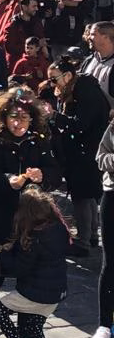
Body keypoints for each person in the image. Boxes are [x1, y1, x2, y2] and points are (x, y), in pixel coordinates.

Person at [0, 90, 59, 338]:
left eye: (24, 118)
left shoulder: (40, 142)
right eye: (13, 117)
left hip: (30, 223)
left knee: (27, 280)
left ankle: (25, 333)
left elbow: (55, 172)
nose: (19, 123)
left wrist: (44, 176)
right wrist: (7, 180)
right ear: (4, 118)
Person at [0, 187, 70, 338]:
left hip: (34, 293)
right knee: (34, 329)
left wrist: (2, 255)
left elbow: (20, 268)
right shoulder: (59, 229)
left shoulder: (34, 238)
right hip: (56, 293)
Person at [49, 56, 109, 256]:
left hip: (85, 151)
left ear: (67, 75)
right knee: (89, 193)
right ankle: (91, 235)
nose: (52, 84)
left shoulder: (84, 91)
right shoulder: (77, 88)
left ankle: (83, 241)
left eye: (54, 79)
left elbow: (80, 124)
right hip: (85, 149)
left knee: (82, 194)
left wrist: (55, 117)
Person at [90, 117, 114, 338]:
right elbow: (101, 157)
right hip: (112, 196)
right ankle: (105, 326)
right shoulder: (113, 126)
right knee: (110, 262)